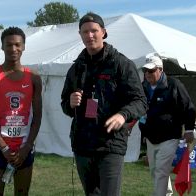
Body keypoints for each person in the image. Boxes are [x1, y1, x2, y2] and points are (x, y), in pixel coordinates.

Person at [60, 12, 147, 196]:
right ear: (80, 35)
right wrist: (70, 102)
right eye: (85, 32)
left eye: (94, 31)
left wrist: (122, 114)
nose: (89, 35)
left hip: (110, 144)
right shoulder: (76, 68)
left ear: (104, 33)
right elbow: (65, 106)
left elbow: (140, 101)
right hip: (82, 144)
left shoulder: (121, 64)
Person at [0, 27, 42, 195]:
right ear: (2, 47)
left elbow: (38, 116)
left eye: (17, 44)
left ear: (23, 46)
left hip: (24, 147)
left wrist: (27, 146)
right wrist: (4, 148)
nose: (13, 49)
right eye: (9, 45)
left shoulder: (34, 77)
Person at [138, 53, 196, 196]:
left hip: (170, 136)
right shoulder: (143, 87)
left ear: (160, 70)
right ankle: (166, 193)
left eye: (151, 71)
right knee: (155, 170)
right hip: (151, 137)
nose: (147, 74)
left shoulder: (174, 85)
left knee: (161, 170)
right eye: (146, 71)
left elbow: (188, 107)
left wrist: (189, 129)